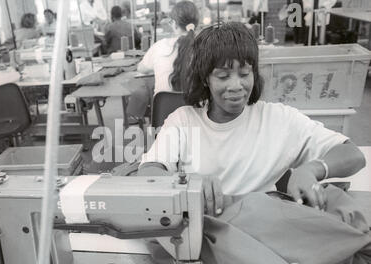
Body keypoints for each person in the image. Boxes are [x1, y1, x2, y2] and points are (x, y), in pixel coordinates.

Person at [139, 22, 366, 216]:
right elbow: (149, 171)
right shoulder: (183, 121)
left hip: (261, 227)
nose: (236, 86)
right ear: (206, 79)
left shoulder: (279, 120)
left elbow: (352, 154)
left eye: (244, 74)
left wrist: (312, 169)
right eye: (223, 76)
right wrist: (185, 184)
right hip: (207, 228)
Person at [127, 1, 200, 120]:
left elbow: (141, 69)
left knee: (146, 87)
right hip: (198, 125)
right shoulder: (206, 48)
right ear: (196, 24)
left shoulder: (159, 47)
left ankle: (137, 115)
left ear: (174, 24)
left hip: (162, 124)